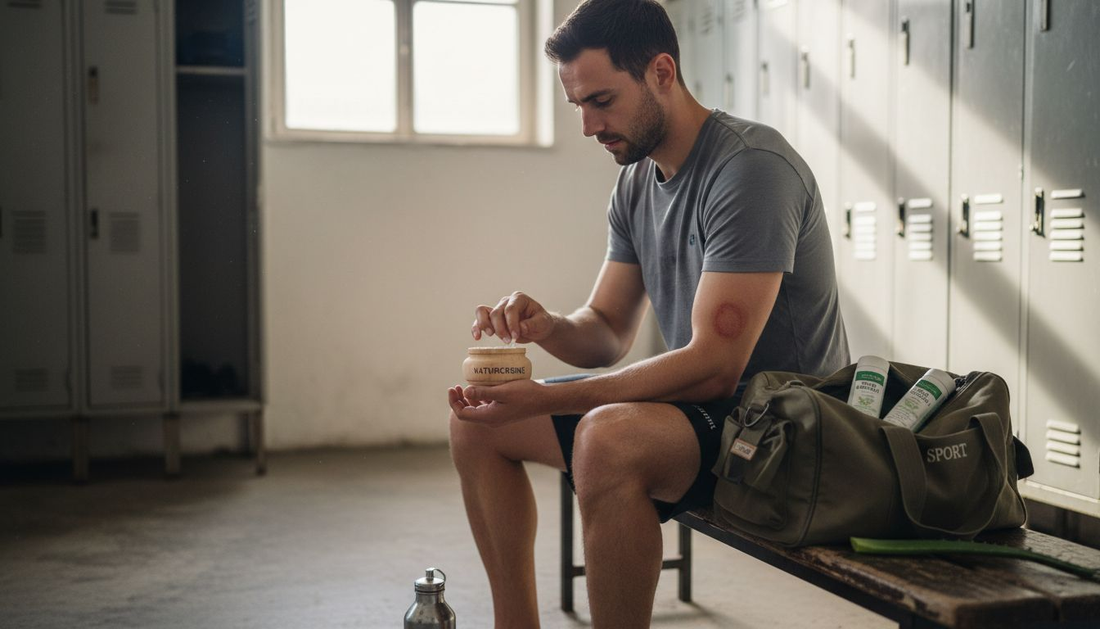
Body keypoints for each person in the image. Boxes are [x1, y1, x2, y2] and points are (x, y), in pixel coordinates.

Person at [447, 0, 849, 626]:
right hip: (708, 415)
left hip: (791, 430)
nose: (587, 126)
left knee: (608, 439)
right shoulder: (637, 182)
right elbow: (607, 330)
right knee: (478, 422)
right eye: (577, 104)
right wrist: (547, 326)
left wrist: (546, 400)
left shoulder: (750, 170)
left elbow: (715, 369)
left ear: (662, 71)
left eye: (601, 101)